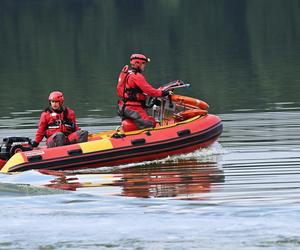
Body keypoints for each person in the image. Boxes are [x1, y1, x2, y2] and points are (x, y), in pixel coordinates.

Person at [117, 53, 172, 130]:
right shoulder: (136, 76)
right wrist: (164, 93)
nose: (144, 66)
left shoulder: (127, 74)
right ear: (138, 63)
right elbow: (150, 91)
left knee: (143, 122)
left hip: (124, 107)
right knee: (150, 123)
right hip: (133, 108)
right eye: (143, 64)